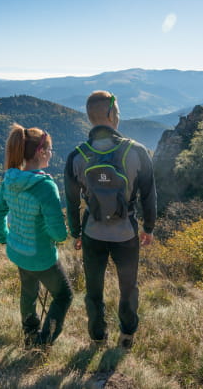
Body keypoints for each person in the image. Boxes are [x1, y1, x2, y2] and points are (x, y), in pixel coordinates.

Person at [64, 90, 156, 349]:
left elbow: (71, 201)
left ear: (90, 117)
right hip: (126, 234)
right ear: (112, 114)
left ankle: (97, 337)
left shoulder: (77, 156)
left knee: (94, 290)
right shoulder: (136, 151)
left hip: (92, 233)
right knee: (128, 287)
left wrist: (76, 233)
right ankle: (127, 335)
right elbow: (149, 195)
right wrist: (149, 228)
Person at [0, 123, 73, 347]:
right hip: (41, 257)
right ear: (40, 151)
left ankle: (30, 335)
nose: (51, 154)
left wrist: (4, 237)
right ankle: (43, 343)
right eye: (50, 150)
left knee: (28, 293)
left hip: (18, 251)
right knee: (64, 295)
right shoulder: (45, 186)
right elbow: (59, 233)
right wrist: (61, 234)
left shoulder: (10, 179)